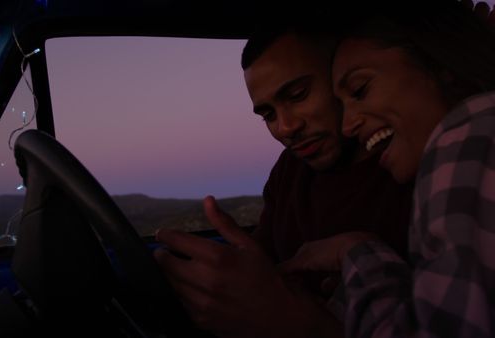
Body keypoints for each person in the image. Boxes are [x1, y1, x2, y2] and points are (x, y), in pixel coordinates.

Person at [153, 4, 414, 338]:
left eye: (297, 95)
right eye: (268, 115)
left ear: (342, 74)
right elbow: (265, 266)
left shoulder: (414, 167)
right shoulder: (292, 170)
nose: (285, 128)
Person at [282, 1, 495, 337]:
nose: (348, 125)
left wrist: (356, 253)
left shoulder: (468, 132)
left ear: (440, 64)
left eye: (360, 90)